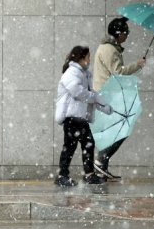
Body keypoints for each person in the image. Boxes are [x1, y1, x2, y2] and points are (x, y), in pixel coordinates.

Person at [92, 17, 146, 181]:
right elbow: (118, 72)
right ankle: (101, 161)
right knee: (122, 129)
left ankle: (101, 168)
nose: (127, 35)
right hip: (108, 95)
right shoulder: (110, 49)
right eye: (126, 32)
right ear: (119, 33)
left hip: (107, 94)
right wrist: (137, 64)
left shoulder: (108, 48)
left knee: (115, 129)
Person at [55, 46, 113, 187]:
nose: (90, 59)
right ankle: (62, 176)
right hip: (72, 117)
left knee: (88, 144)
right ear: (81, 57)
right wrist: (94, 98)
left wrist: (105, 106)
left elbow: (91, 94)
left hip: (81, 117)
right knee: (69, 146)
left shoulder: (84, 74)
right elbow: (78, 92)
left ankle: (89, 175)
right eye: (88, 56)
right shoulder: (72, 73)